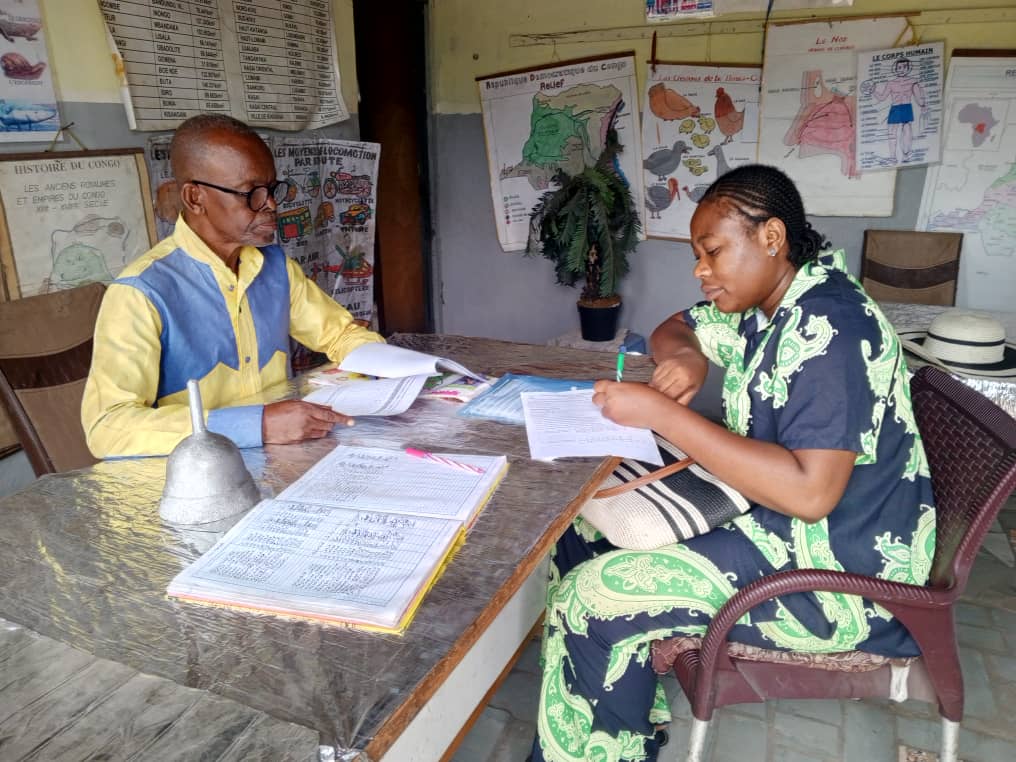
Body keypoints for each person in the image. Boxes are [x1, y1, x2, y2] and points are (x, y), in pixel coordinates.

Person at [530, 164, 936, 762]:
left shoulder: (832, 329)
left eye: (713, 251)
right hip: (778, 529)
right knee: (579, 532)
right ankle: (623, 725)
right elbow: (675, 327)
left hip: (841, 575)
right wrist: (690, 360)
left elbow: (810, 495)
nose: (701, 270)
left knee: (592, 597)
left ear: (771, 237)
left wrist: (661, 415)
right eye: (699, 254)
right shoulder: (767, 306)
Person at [82, 114, 384, 457]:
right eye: (251, 193)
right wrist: (258, 424)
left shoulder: (274, 268)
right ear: (195, 198)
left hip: (280, 456)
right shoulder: (141, 293)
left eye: (271, 189)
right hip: (199, 478)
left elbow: (339, 334)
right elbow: (107, 427)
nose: (270, 204)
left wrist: (385, 365)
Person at [860, 57, 927, 164]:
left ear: (909, 69)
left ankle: (905, 155)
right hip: (895, 109)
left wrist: (923, 105)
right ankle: (892, 157)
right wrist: (873, 91)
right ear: (895, 69)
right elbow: (882, 98)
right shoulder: (891, 83)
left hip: (906, 107)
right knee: (892, 134)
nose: (902, 69)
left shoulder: (912, 82)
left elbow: (918, 96)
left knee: (907, 132)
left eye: (905, 67)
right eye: (899, 67)